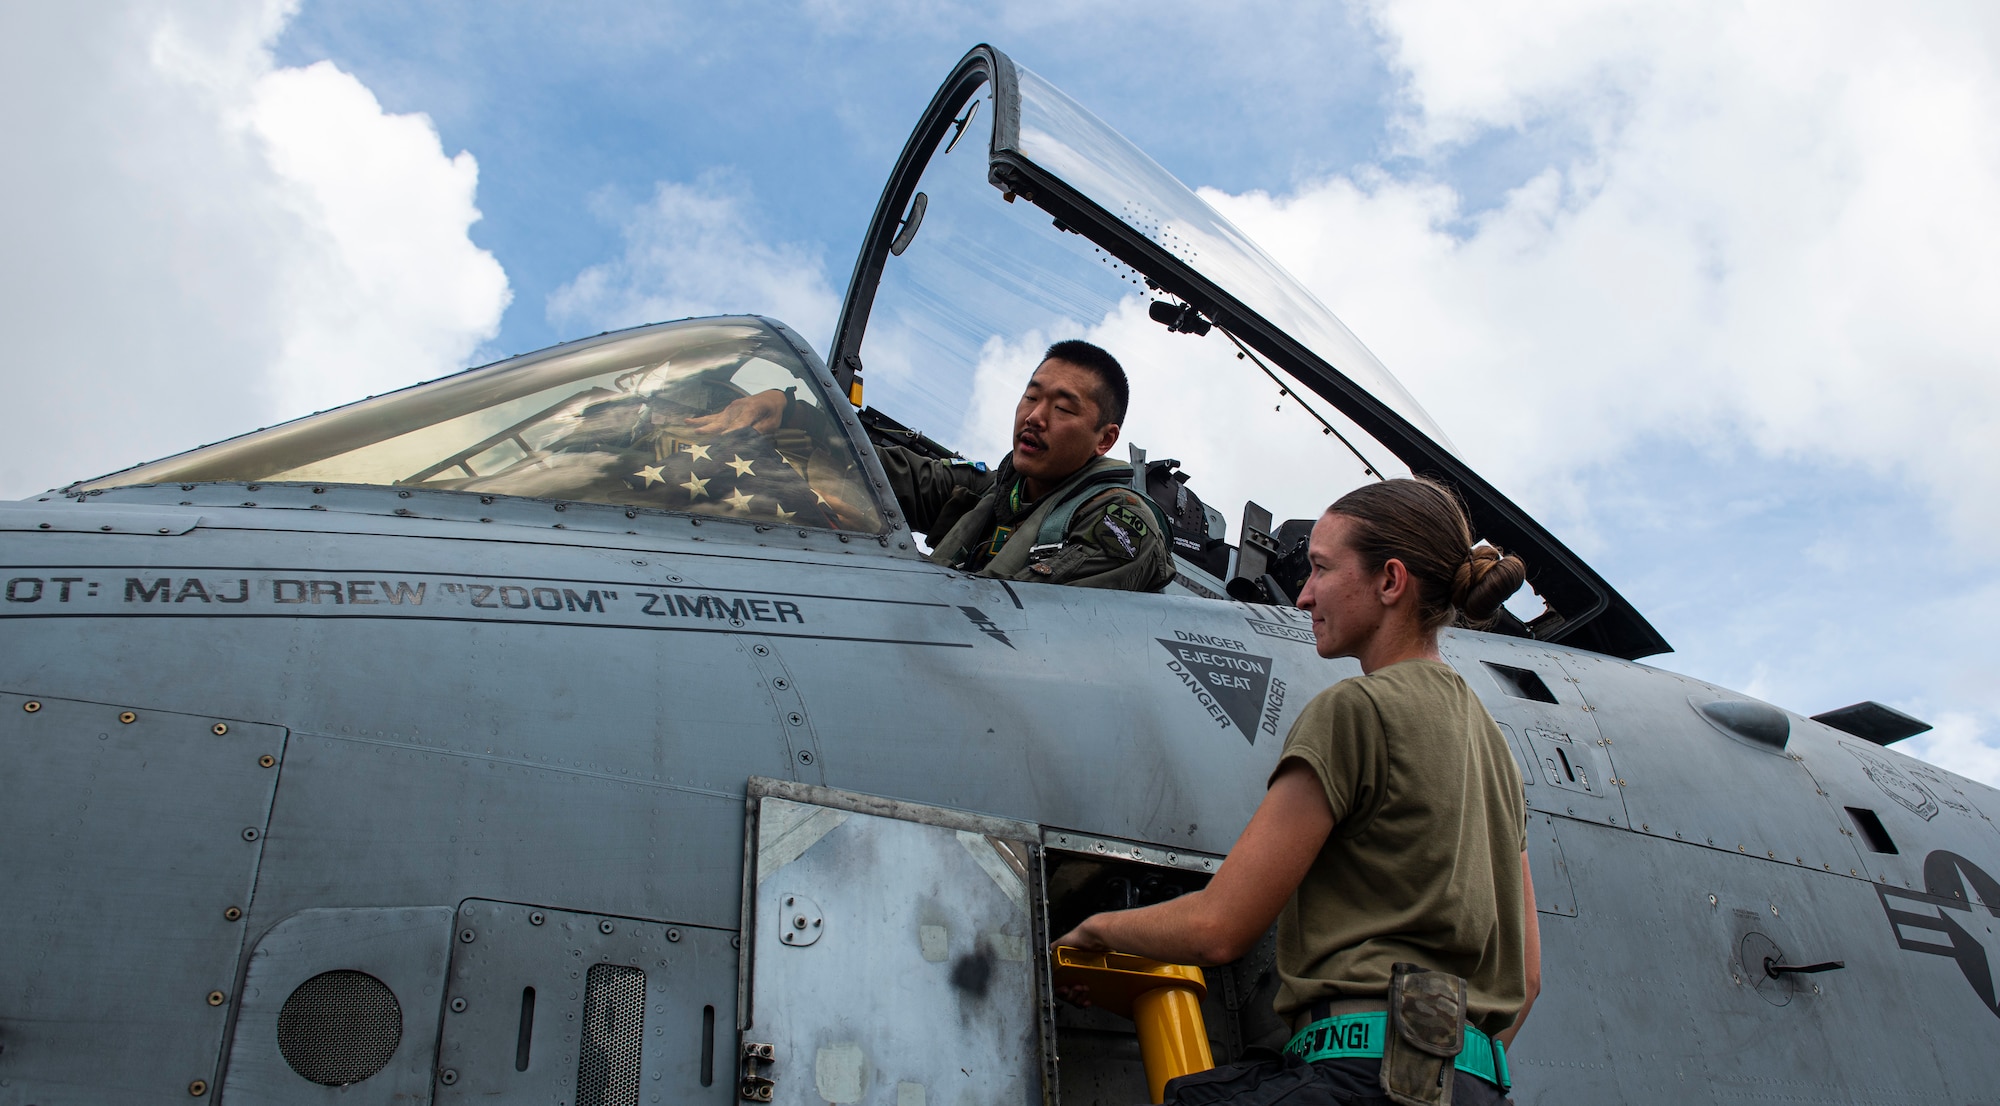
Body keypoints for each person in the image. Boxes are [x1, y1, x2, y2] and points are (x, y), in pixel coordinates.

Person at [1053, 477, 1542, 1106]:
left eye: (1322, 568)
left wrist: (1096, 930)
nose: (1305, 594)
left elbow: (1219, 927)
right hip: (1475, 1085)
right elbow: (1528, 980)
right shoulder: (1498, 753)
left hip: (1353, 1078)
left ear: (1390, 581)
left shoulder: (1356, 710)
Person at [692, 339, 1174, 591]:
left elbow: (1018, 614)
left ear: (1105, 439)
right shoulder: (1001, 491)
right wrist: (793, 412)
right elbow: (893, 476)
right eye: (1031, 397)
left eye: (1063, 408)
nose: (1035, 417)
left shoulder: (1118, 525)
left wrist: (882, 548)